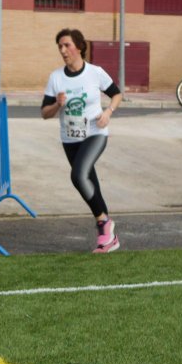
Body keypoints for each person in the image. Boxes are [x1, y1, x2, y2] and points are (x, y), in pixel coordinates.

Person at [41, 28, 123, 253]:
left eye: (66, 45)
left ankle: (104, 222)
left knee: (78, 176)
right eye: (59, 46)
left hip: (95, 133)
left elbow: (117, 93)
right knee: (89, 183)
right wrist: (57, 104)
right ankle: (108, 237)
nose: (63, 50)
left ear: (79, 46)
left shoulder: (95, 73)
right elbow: (44, 113)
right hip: (70, 138)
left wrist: (108, 113)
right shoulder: (56, 77)